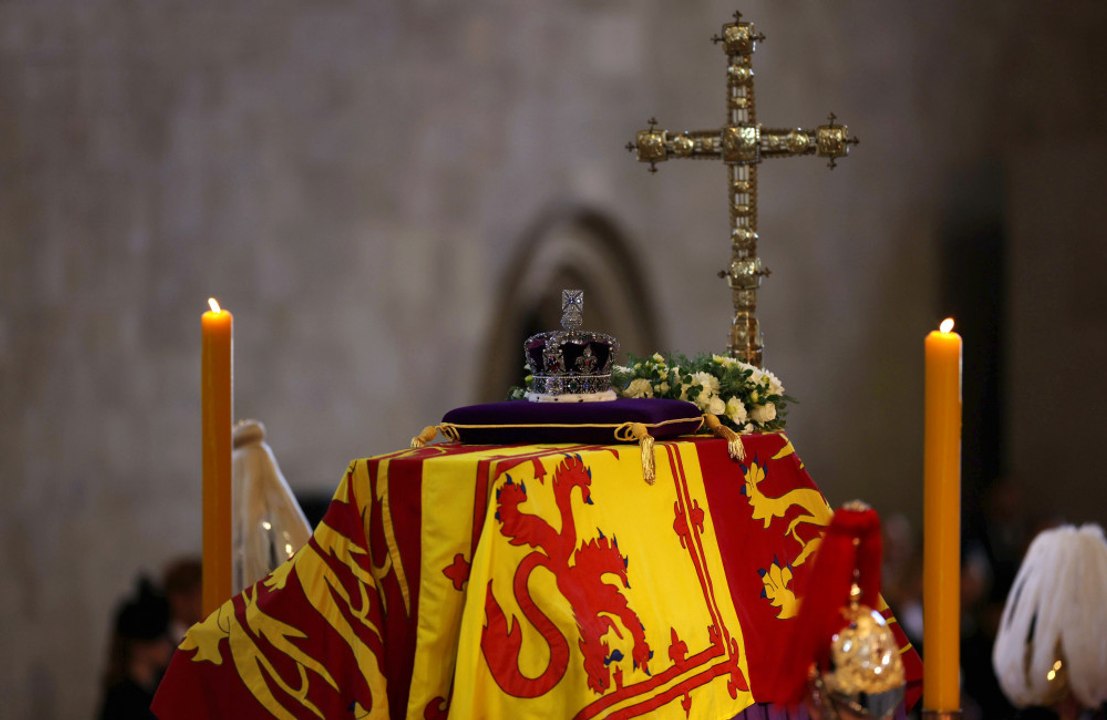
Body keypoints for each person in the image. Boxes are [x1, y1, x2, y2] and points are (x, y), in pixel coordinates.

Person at [98, 577, 173, 720]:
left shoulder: (159, 688)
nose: (167, 645)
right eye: (160, 639)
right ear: (140, 648)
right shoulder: (122, 699)